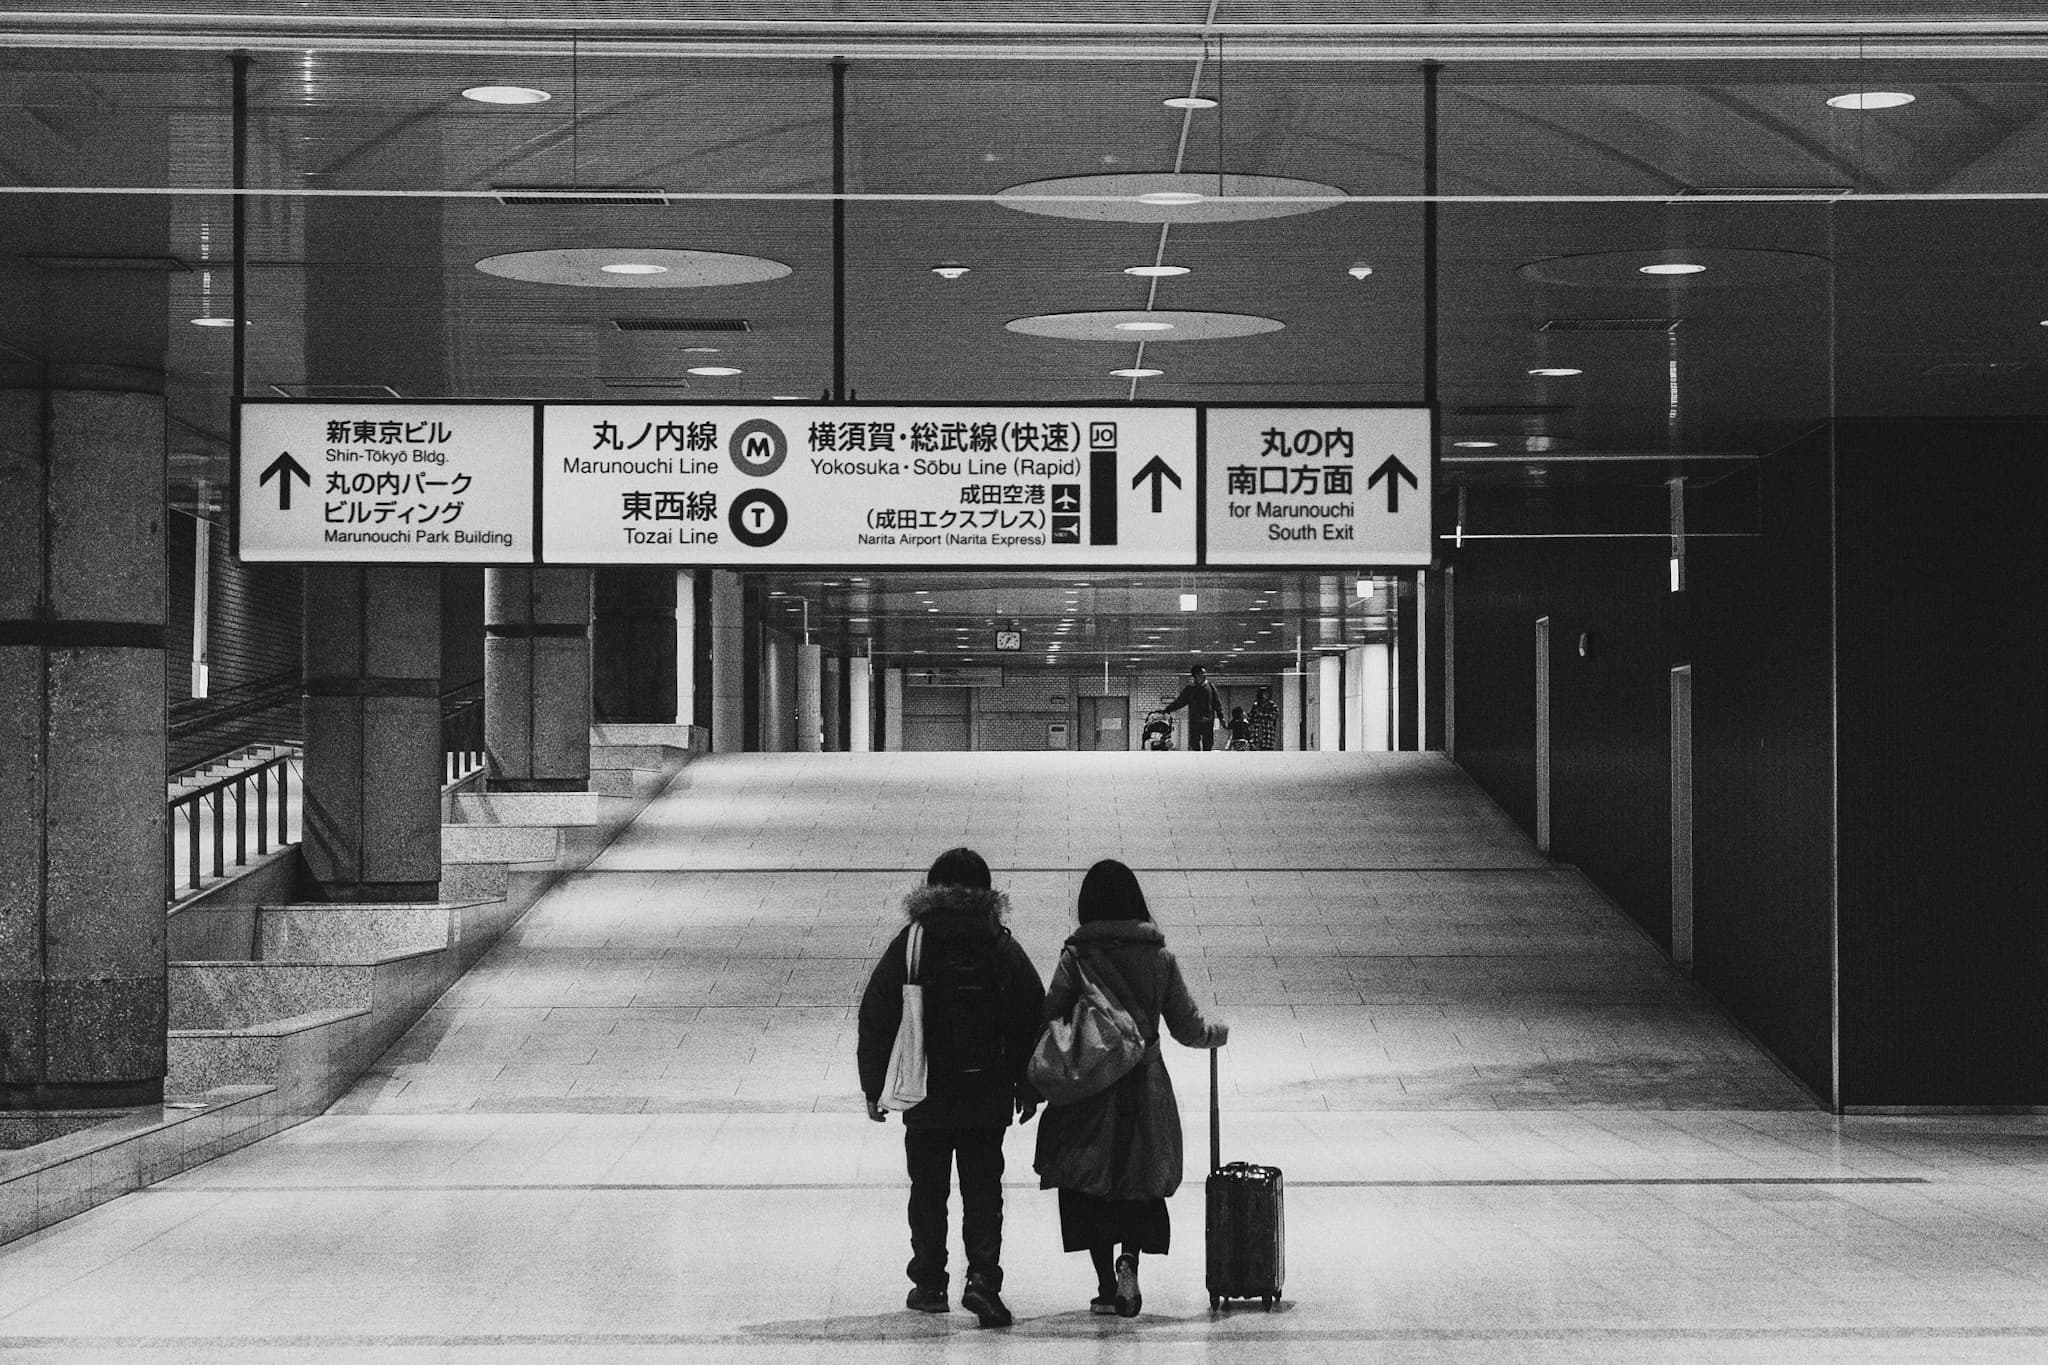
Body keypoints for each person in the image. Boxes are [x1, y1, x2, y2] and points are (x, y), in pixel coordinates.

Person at [858, 848, 1047, 1328]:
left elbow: (877, 1015)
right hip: (987, 1091)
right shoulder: (999, 943)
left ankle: (929, 1283)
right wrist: (1027, 1084)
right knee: (984, 1189)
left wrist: (874, 1085)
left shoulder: (913, 941)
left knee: (928, 1189)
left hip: (927, 1089)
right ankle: (983, 1278)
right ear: (985, 893)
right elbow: (1031, 1012)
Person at [1033, 859, 1229, 1318]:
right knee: (1140, 1178)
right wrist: (1217, 1033)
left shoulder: (1077, 958)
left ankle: (1105, 1284)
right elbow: (1186, 1024)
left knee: (1090, 1182)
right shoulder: (1159, 958)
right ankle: (1130, 1262)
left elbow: (1051, 1020)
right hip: (1145, 1085)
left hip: (1091, 1088)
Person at [1161, 664, 1225, 751]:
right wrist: (1167, 709)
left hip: (1208, 720)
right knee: (1194, 742)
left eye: (1204, 673)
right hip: (1195, 720)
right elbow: (1180, 702)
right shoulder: (1190, 689)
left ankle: (1207, 760)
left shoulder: (1210, 687)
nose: (1204, 675)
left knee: (1208, 742)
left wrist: (1221, 717)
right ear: (1195, 675)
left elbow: (1217, 703)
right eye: (1201, 673)